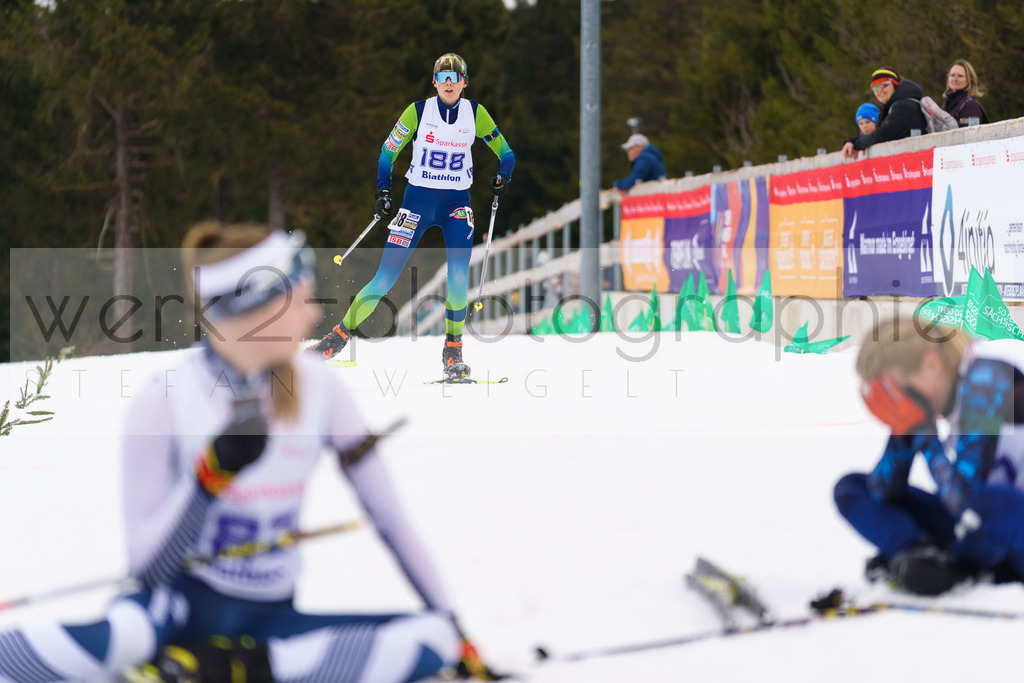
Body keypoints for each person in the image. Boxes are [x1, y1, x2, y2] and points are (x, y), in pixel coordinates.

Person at [0, 222, 495, 682]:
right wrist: (209, 479)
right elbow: (147, 570)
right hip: (171, 611)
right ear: (260, 309)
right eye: (301, 299)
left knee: (434, 638)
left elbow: (391, 521)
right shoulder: (164, 401)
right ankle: (211, 665)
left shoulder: (322, 391)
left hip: (269, 620)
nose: (316, 314)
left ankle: (221, 668)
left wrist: (457, 629)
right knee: (126, 635)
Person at [309, 53, 516, 381]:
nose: (449, 84)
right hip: (416, 203)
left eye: (455, 77)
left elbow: (507, 154)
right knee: (384, 279)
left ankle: (453, 352)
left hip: (456, 207)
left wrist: (503, 176)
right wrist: (383, 192)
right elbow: (387, 153)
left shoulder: (476, 114)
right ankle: (333, 342)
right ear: (434, 82)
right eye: (442, 77)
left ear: (464, 82)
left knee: (459, 279)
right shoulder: (418, 111)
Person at [833, 317, 1024, 596]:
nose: (898, 401)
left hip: (1007, 523)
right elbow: (882, 494)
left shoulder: (986, 376)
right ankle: (918, 557)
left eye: (899, 390)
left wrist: (925, 435)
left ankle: (956, 568)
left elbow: (966, 499)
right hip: (987, 535)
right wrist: (902, 435)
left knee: (991, 502)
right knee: (852, 488)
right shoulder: (956, 396)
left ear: (933, 364)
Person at [842, 67, 927, 160]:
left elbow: (883, 134)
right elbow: (882, 131)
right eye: (875, 87)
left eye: (884, 85)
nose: (879, 90)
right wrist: (853, 141)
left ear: (894, 85)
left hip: (917, 160)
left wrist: (856, 144)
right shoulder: (893, 106)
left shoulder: (904, 106)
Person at [942, 58, 988, 127]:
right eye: (952, 75)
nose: (955, 79)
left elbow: (971, 134)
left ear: (969, 79)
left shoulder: (971, 106)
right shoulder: (947, 103)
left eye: (960, 76)